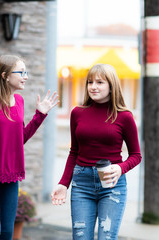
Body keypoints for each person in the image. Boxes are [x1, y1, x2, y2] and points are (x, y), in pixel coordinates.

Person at [0, 55, 58, 240]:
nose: (26, 76)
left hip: (9, 173)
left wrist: (40, 115)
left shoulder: (20, 101)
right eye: (21, 72)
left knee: (7, 233)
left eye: (26, 72)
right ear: (5, 75)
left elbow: (19, 138)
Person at [51, 63, 141, 240]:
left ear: (111, 86)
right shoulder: (77, 113)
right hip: (81, 184)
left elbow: (136, 155)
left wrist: (121, 168)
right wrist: (63, 184)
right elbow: (74, 152)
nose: (93, 86)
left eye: (100, 82)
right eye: (90, 82)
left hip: (112, 184)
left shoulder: (124, 116)